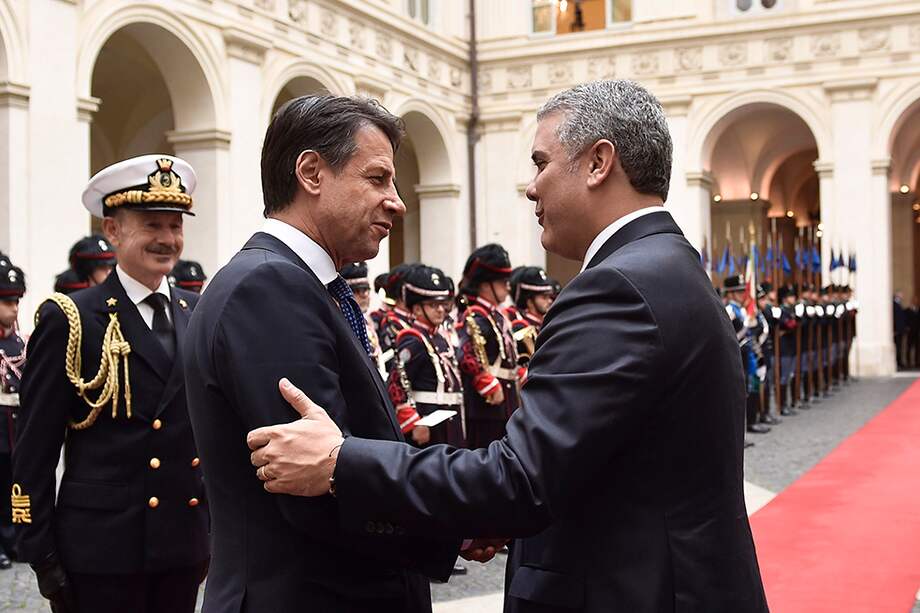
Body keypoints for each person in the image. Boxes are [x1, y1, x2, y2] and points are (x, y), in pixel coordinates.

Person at [247, 80, 768, 613]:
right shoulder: (663, 268)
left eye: (542, 162)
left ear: (598, 163)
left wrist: (340, 462)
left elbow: (519, 479)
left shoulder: (619, 289)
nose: (532, 187)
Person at [183, 95, 459, 613]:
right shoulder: (268, 288)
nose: (397, 201)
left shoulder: (299, 283)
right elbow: (317, 487)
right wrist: (452, 524)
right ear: (311, 172)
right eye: (377, 179)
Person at [12, 155, 209, 612]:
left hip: (182, 549)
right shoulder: (72, 318)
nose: (167, 239)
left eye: (175, 226)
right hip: (100, 553)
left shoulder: (196, 313)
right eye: (152, 225)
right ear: (113, 231)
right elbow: (35, 449)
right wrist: (41, 554)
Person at [387, 264, 465, 448]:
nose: (440, 310)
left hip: (450, 419)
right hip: (428, 422)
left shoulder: (439, 337)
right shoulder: (413, 340)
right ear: (417, 309)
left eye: (441, 304)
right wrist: (414, 423)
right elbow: (396, 384)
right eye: (432, 305)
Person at [456, 244, 520, 449]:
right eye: (502, 282)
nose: (507, 287)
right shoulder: (474, 315)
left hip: (506, 400)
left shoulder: (495, 315)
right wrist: (484, 380)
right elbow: (466, 353)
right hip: (487, 404)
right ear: (484, 284)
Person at [0, 253, 26, 569]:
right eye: (6, 302)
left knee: (12, 486)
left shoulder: (19, 344)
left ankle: (12, 539)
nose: (14, 308)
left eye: (16, 301)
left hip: (13, 426)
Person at [724, 275, 770, 435]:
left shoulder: (742, 310)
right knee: (740, 394)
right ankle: (739, 432)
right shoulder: (729, 311)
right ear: (729, 294)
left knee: (752, 389)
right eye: (737, 292)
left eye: (742, 291)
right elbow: (730, 335)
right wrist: (747, 328)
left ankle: (751, 422)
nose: (741, 294)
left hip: (749, 355)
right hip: (739, 355)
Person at [341, 261, 386, 376]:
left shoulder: (367, 321)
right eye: (358, 290)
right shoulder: (342, 322)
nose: (365, 295)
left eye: (366, 289)